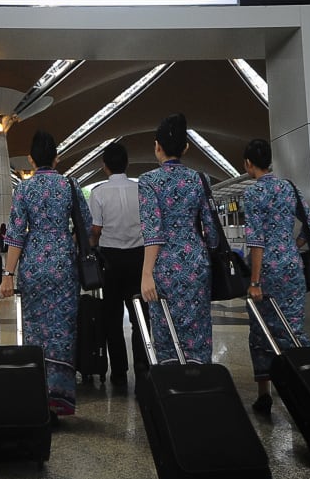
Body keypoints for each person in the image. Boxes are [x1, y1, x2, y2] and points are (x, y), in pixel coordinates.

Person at [0, 130, 92, 425]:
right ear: (57, 157)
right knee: (63, 332)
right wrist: (68, 243)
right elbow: (86, 224)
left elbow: (14, 235)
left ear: (30, 159)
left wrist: (7, 274)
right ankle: (58, 402)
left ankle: (35, 395)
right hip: (64, 264)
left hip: (34, 265)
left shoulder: (24, 190)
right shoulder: (69, 185)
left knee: (35, 330)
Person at [242, 138, 310, 415]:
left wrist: (254, 281)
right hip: (291, 267)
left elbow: (257, 241)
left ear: (249, 163)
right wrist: (291, 247)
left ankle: (265, 395)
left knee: (261, 330)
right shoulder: (289, 188)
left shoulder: (252, 195)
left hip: (267, 272)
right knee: (294, 327)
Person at [138, 113, 219, 365]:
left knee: (165, 326)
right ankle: (200, 378)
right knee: (198, 326)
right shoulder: (200, 179)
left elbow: (153, 231)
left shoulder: (148, 181)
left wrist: (146, 274)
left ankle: (171, 383)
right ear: (185, 147)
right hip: (196, 262)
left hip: (164, 266)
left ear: (157, 146)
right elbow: (212, 230)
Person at [89, 142, 148, 386]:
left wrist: (91, 244)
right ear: (127, 163)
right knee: (140, 317)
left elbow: (95, 229)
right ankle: (143, 366)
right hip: (139, 258)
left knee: (112, 317)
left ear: (105, 166)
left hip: (110, 260)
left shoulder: (99, 192)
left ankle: (120, 371)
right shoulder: (141, 190)